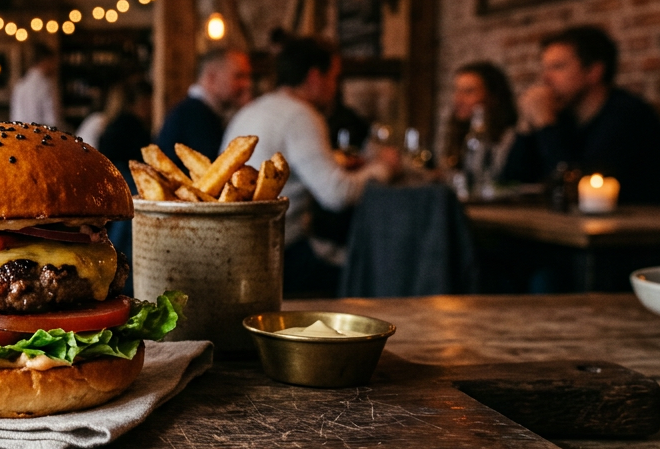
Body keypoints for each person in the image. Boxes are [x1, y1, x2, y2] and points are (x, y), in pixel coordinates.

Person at [222, 34, 399, 295]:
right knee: (371, 272)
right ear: (315, 77)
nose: (334, 87)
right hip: (278, 255)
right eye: (334, 77)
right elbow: (337, 194)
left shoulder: (252, 110)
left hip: (234, 251)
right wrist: (385, 168)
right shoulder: (301, 115)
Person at [502, 26, 660, 204]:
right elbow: (508, 185)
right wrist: (525, 126)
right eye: (545, 68)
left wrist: (545, 124)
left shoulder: (627, 115)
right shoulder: (565, 117)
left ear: (594, 72)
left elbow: (576, 190)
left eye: (558, 67)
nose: (546, 79)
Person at [97, 81, 154, 295]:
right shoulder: (133, 126)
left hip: (107, 191)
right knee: (124, 250)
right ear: (141, 101)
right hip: (128, 191)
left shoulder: (110, 123)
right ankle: (125, 290)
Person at [156, 48, 253, 161]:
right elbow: (217, 167)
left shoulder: (197, 111)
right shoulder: (195, 116)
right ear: (211, 78)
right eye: (239, 76)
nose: (247, 84)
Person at [443, 61, 517, 178]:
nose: (458, 100)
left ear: (493, 97)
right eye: (457, 90)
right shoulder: (462, 134)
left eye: (469, 91)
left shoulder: (511, 139)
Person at [9, 43, 61, 129]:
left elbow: (14, 116)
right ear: (46, 60)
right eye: (53, 62)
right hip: (41, 133)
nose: (55, 66)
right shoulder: (46, 85)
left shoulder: (20, 84)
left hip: (20, 132)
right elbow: (52, 120)